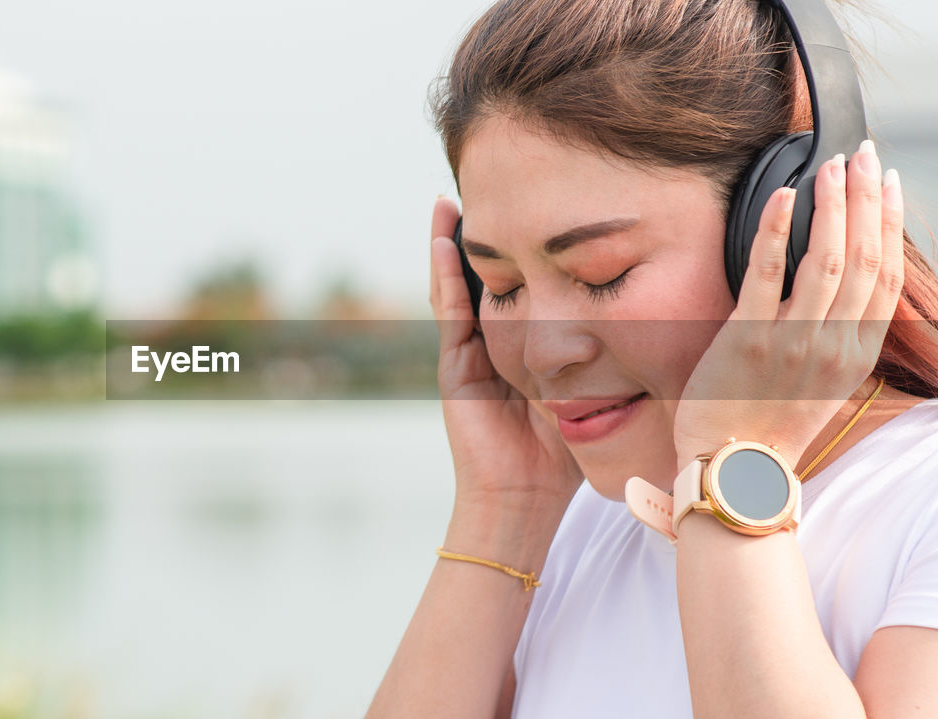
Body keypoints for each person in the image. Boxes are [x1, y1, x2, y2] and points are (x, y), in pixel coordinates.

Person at [365, 1, 938, 717]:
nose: (544, 354)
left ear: (794, 233)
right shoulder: (586, 520)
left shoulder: (921, 504)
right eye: (503, 287)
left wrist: (734, 462)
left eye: (601, 273)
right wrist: (502, 509)